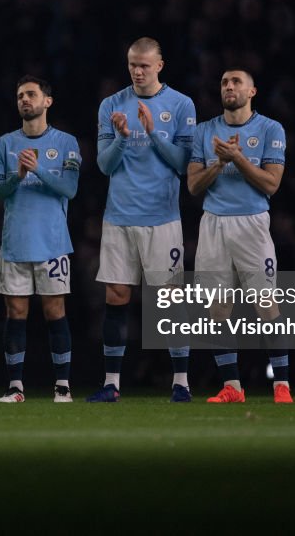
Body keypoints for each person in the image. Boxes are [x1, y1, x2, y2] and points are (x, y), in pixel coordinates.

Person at [88, 37, 196, 403]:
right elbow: (104, 165)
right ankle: (112, 384)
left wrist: (151, 132)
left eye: (145, 65)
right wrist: (122, 138)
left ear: (160, 66)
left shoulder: (181, 104)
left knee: (169, 299)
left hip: (162, 218)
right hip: (119, 216)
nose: (137, 71)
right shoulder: (112, 105)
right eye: (133, 64)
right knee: (116, 295)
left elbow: (184, 165)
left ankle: (181, 381)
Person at [187, 69, 291, 404]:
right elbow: (192, 186)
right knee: (217, 309)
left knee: (267, 305)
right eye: (224, 83)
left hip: (252, 223)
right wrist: (218, 164)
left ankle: (282, 386)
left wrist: (237, 158)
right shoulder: (204, 131)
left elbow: (271, 184)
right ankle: (233, 387)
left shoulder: (270, 129)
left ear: (252, 91)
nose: (229, 87)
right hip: (213, 224)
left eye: (236, 83)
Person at [0, 77, 80, 403]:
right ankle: (15, 387)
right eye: (20, 96)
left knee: (55, 311)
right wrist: (18, 175)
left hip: (53, 243)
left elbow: (70, 190)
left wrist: (38, 168)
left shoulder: (66, 142)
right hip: (15, 242)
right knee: (16, 314)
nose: (24, 100)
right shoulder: (4, 144)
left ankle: (63, 387)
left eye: (31, 94)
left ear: (47, 101)